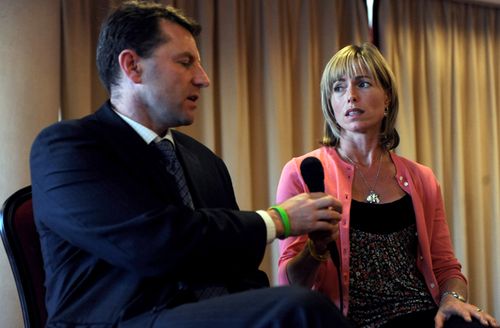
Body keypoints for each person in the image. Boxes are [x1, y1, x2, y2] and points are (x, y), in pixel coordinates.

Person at [29, 1, 352, 327]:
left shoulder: (204, 161)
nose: (203, 79)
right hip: (123, 319)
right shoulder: (68, 148)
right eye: (185, 62)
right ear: (132, 66)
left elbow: (241, 269)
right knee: (298, 309)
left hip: (212, 315)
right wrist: (276, 220)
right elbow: (151, 243)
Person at [276, 42, 499, 328]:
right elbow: (290, 284)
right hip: (348, 321)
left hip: (421, 312)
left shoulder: (422, 178)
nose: (351, 96)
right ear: (330, 103)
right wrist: (316, 248)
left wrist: (452, 299)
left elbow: (446, 267)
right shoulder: (302, 172)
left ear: (388, 98)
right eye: (339, 88)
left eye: (363, 83)